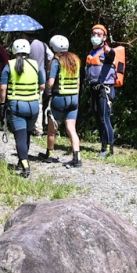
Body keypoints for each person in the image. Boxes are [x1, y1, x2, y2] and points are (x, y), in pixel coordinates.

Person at [0, 38, 43, 178]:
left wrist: (2, 104)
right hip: (34, 106)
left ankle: (25, 165)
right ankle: (22, 160)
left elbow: (3, 88)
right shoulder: (36, 65)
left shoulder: (9, 65)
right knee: (27, 135)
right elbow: (42, 85)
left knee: (20, 136)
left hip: (17, 106)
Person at [85, 24, 124, 156]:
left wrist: (109, 51)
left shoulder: (106, 51)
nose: (95, 37)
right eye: (93, 34)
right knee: (97, 117)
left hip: (104, 90)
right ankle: (103, 146)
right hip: (94, 89)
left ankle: (108, 148)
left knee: (104, 118)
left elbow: (111, 55)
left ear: (104, 37)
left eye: (99, 34)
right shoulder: (92, 51)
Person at [44, 34, 82, 167]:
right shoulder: (75, 60)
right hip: (74, 98)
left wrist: (46, 87)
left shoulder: (56, 61)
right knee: (71, 128)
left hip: (59, 98)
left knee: (52, 129)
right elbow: (78, 82)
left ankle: (49, 154)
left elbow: (51, 82)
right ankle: (77, 157)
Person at [27, 34, 49, 135]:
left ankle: (28, 126)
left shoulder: (26, 46)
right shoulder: (43, 45)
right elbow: (51, 57)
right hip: (42, 78)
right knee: (39, 104)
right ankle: (38, 129)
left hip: (27, 78)